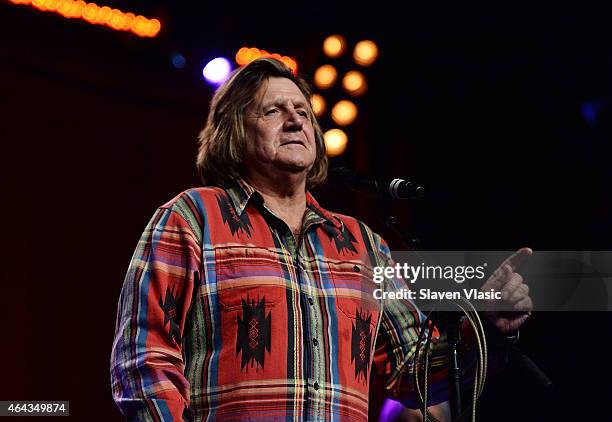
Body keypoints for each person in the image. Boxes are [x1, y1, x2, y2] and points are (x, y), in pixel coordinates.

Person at [110, 57, 532, 421]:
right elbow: (142, 358)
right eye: (273, 111)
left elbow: (414, 374)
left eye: (302, 111)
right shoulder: (191, 218)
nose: (296, 119)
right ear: (235, 133)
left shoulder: (363, 244)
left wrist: (487, 327)